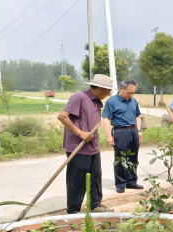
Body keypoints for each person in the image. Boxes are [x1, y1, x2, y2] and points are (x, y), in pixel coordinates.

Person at [58, 74, 114, 214]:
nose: (109, 94)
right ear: (101, 88)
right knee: (77, 179)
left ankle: (95, 205)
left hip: (92, 146)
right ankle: (73, 210)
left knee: (95, 177)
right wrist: (80, 133)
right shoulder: (79, 97)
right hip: (78, 146)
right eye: (108, 90)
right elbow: (62, 116)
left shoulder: (96, 101)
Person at [101, 79, 143, 193]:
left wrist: (138, 130)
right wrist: (109, 135)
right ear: (121, 89)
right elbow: (106, 119)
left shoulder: (133, 100)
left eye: (133, 92)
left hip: (133, 130)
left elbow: (137, 116)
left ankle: (132, 181)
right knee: (120, 158)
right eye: (129, 92)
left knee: (134, 157)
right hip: (120, 131)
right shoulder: (112, 102)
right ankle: (121, 183)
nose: (131, 95)